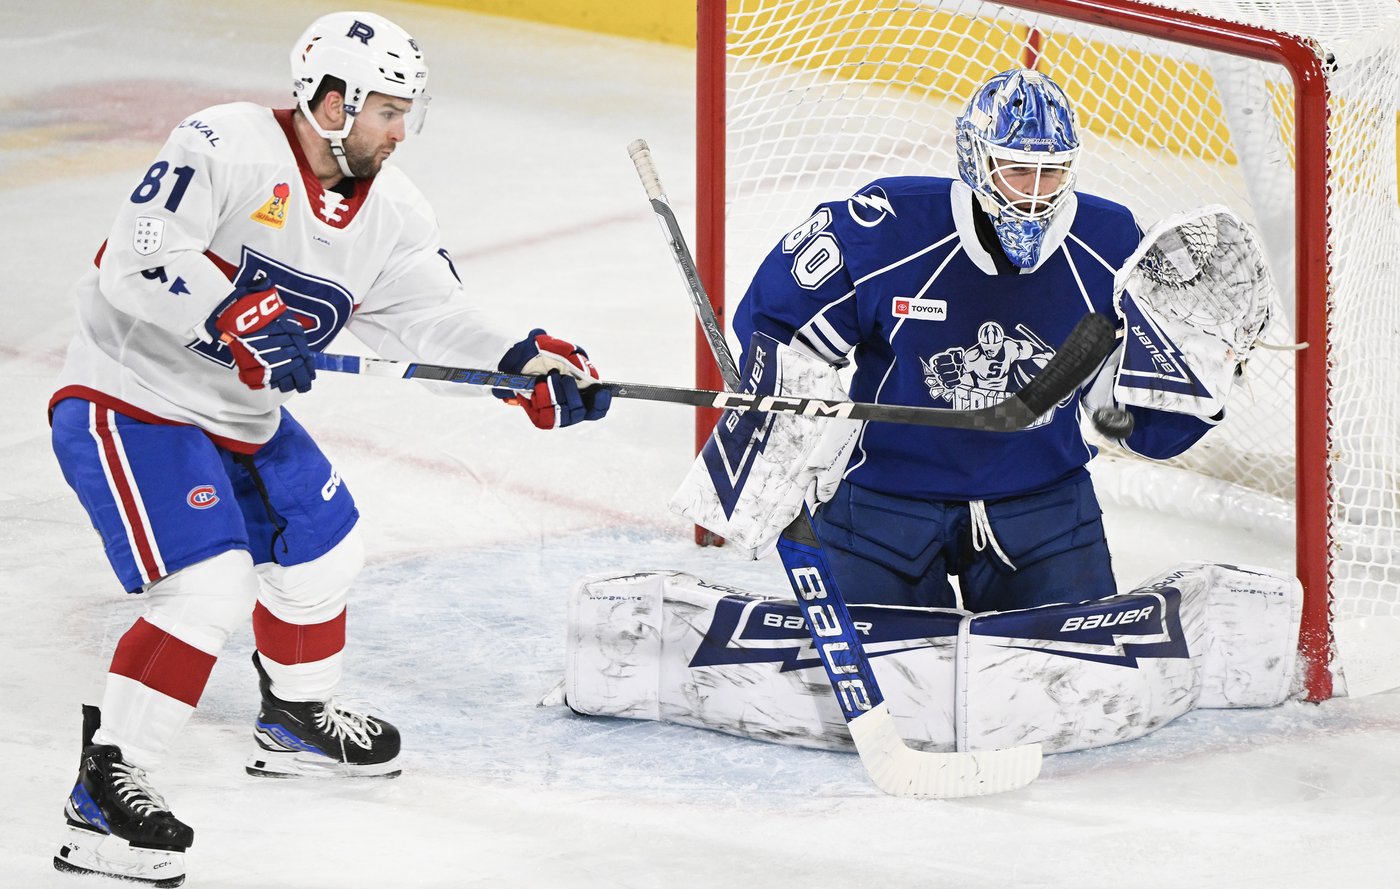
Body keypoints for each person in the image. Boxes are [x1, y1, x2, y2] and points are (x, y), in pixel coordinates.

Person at [48, 11, 609, 885]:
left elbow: (431, 316)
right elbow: (138, 252)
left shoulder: (395, 210)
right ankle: (104, 787)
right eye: (387, 110)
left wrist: (518, 361)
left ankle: (297, 719)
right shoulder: (224, 142)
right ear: (330, 100)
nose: (398, 132)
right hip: (131, 396)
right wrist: (228, 312)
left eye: (405, 114)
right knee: (208, 586)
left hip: (244, 414)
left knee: (323, 546)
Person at [728, 68, 1219, 614]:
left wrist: (1205, 367)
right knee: (894, 674)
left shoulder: (1110, 245)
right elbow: (775, 332)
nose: (1034, 195)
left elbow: (1131, 426)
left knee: (1066, 683)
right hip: (886, 500)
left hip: (1043, 507)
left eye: (1050, 173)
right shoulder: (891, 228)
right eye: (1016, 171)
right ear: (976, 160)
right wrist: (801, 437)